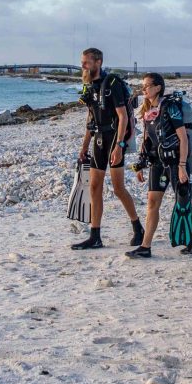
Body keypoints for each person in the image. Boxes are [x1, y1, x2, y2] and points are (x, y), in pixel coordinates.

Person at [71, 47, 144, 250]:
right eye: (82, 62)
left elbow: (122, 117)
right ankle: (96, 236)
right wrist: (84, 146)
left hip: (114, 139)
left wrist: (120, 146)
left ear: (98, 62)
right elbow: (91, 118)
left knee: (119, 189)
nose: (83, 65)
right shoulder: (89, 86)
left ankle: (138, 228)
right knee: (95, 187)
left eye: (86, 62)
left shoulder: (112, 83)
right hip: (99, 139)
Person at [126, 72, 192, 258]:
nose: (143, 89)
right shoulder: (147, 111)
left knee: (184, 202)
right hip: (157, 163)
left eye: (147, 86)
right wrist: (140, 164)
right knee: (152, 203)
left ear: (158, 87)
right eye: (143, 86)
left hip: (175, 162)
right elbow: (147, 140)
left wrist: (182, 166)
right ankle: (145, 247)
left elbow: (183, 138)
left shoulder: (170, 108)